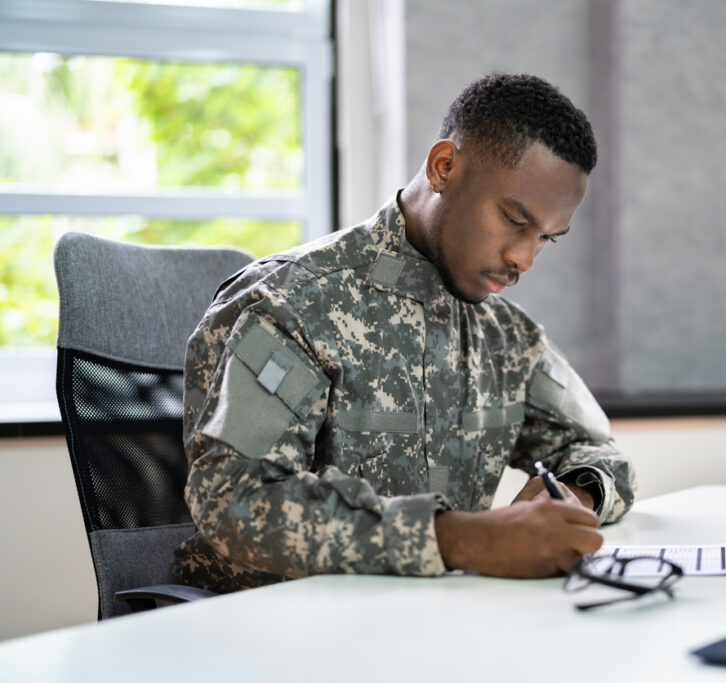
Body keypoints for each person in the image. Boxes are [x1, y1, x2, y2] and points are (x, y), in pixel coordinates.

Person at [169, 73, 637, 592]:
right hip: (274, 640)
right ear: (444, 167)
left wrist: (575, 496)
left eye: (547, 237)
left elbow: (601, 453)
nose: (524, 258)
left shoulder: (508, 337)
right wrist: (467, 540)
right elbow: (235, 500)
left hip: (431, 631)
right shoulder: (292, 304)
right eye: (513, 219)